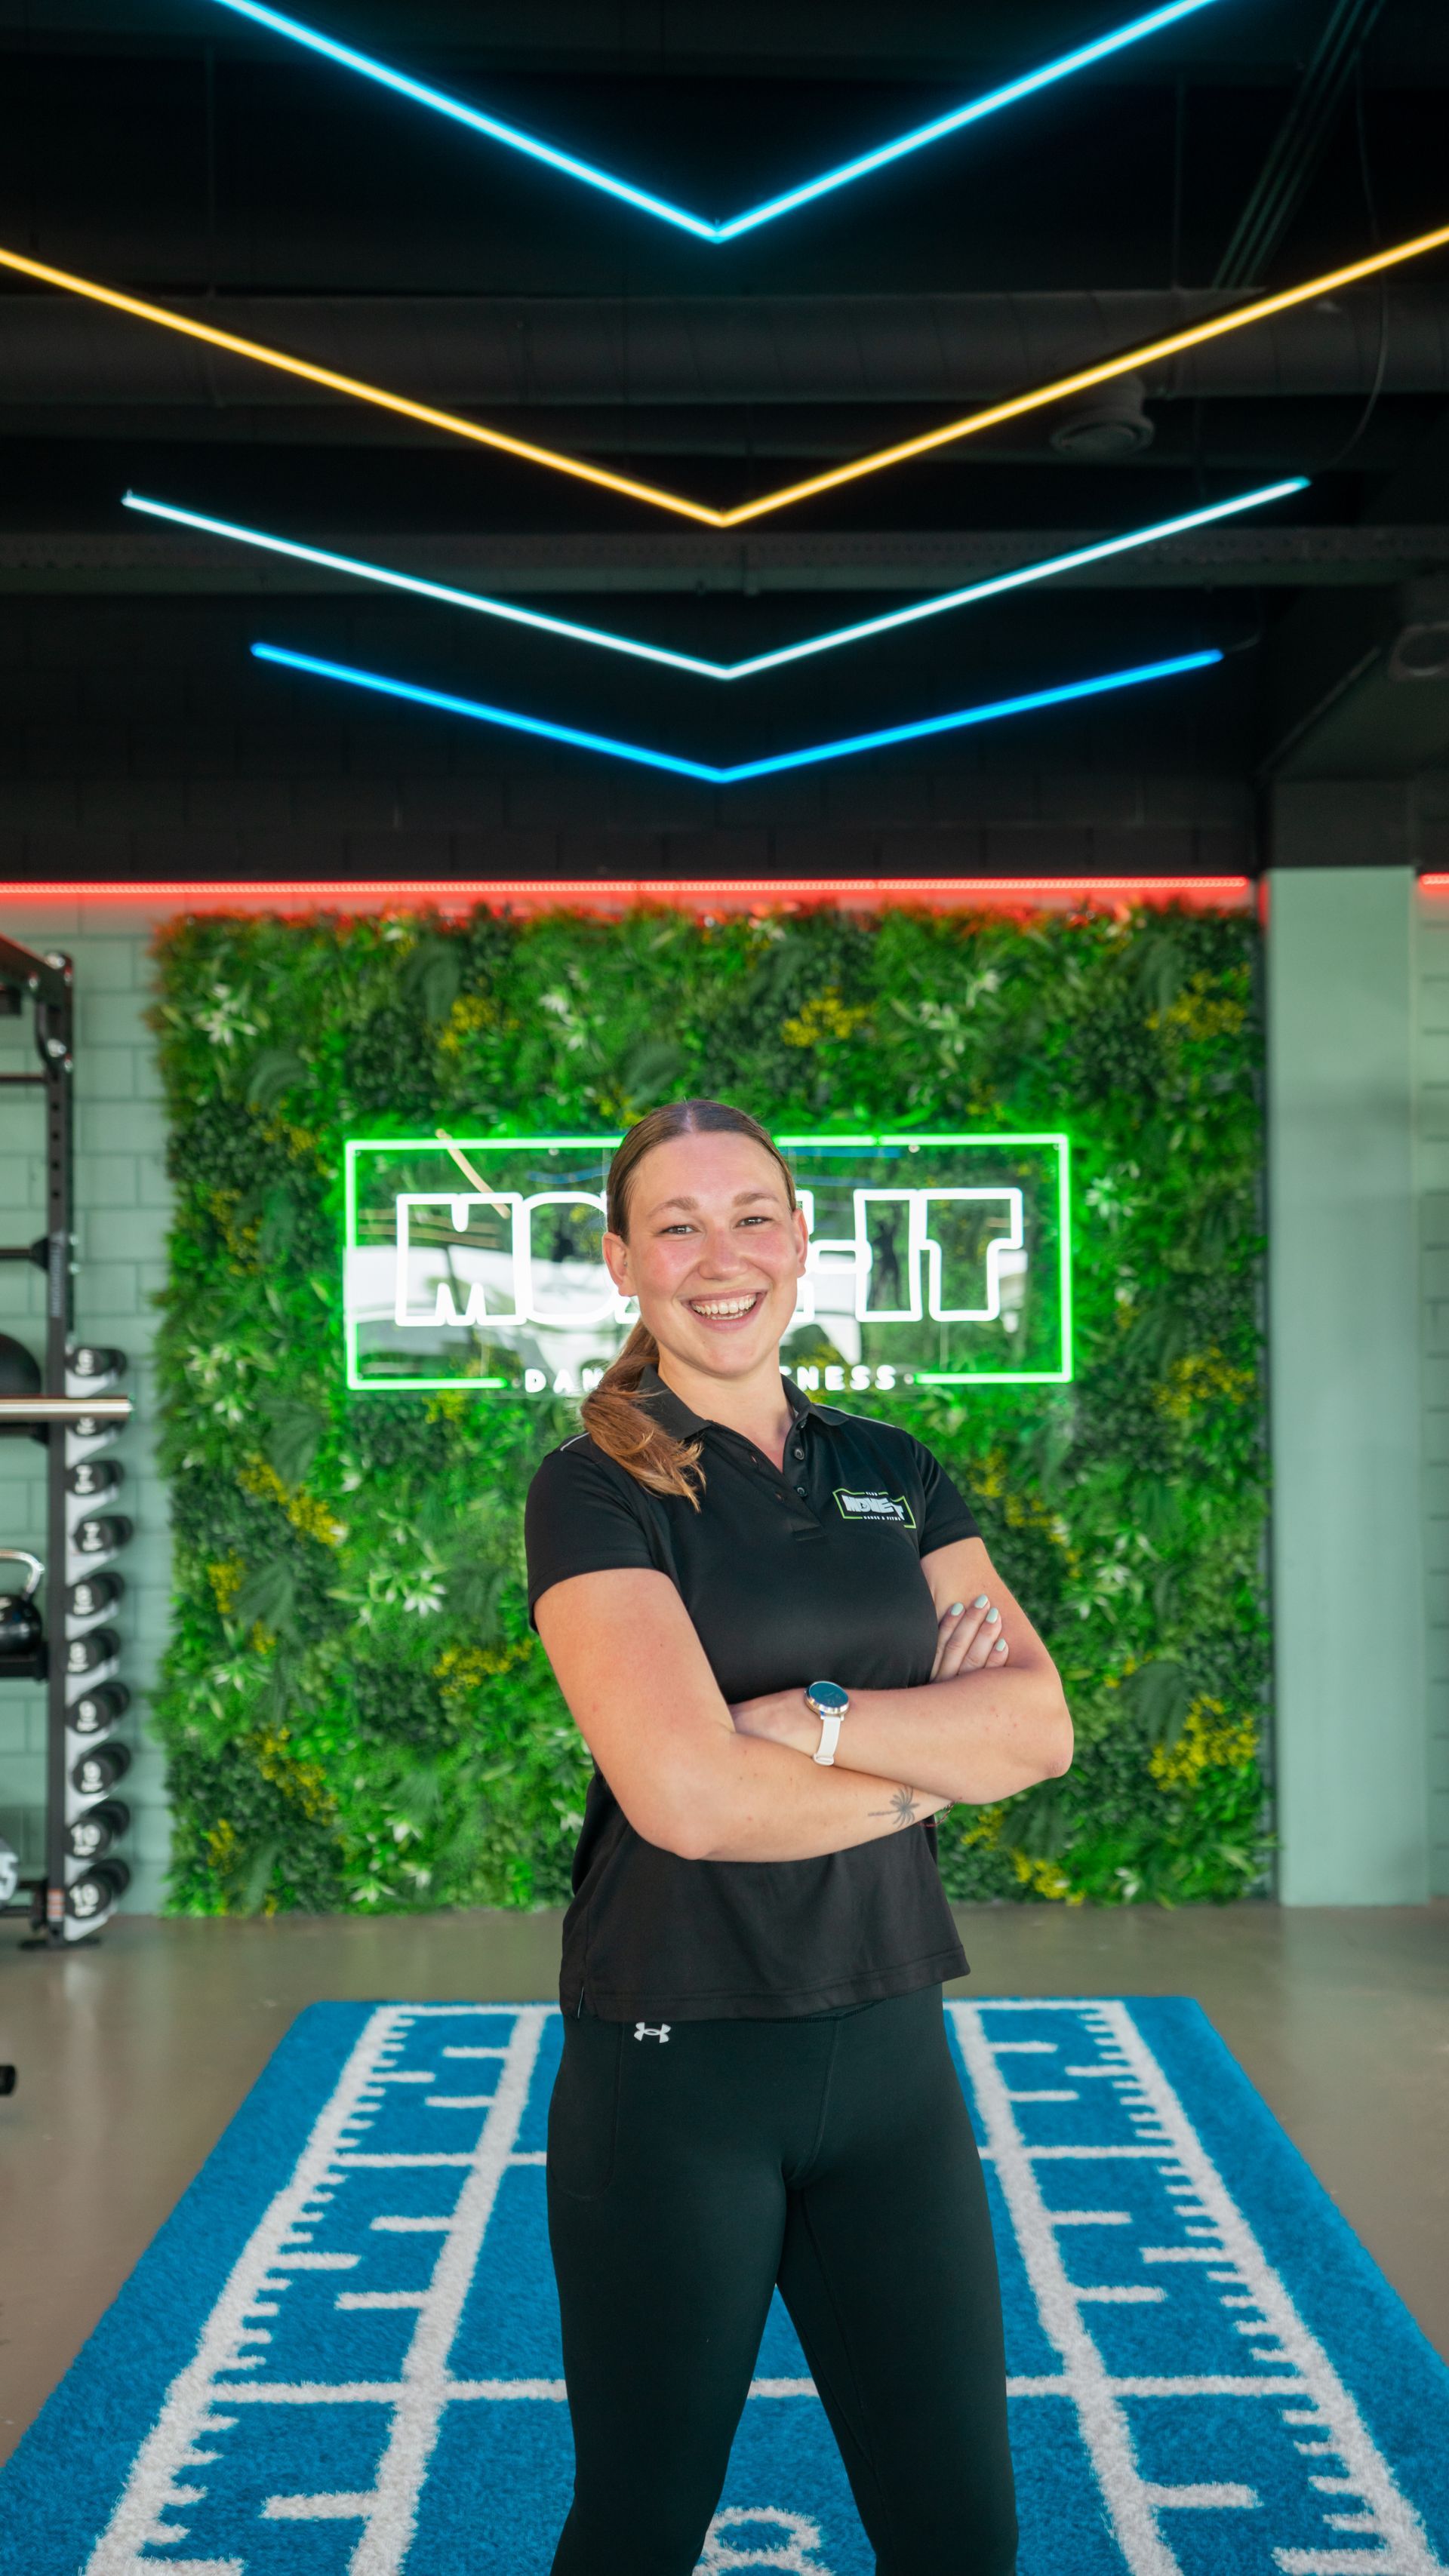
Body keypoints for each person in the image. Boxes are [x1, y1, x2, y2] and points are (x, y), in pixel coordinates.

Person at [525, 1099, 1072, 2576]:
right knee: (641, 2527)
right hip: (676, 2066)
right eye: (678, 1225)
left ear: (803, 1244)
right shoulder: (597, 1487)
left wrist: (814, 1723)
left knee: (964, 2533)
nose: (723, 1254)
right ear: (623, 1262)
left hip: (891, 2045)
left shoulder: (892, 1463)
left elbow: (1037, 1727)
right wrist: (931, 1762)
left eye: (753, 1215)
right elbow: (688, 1800)